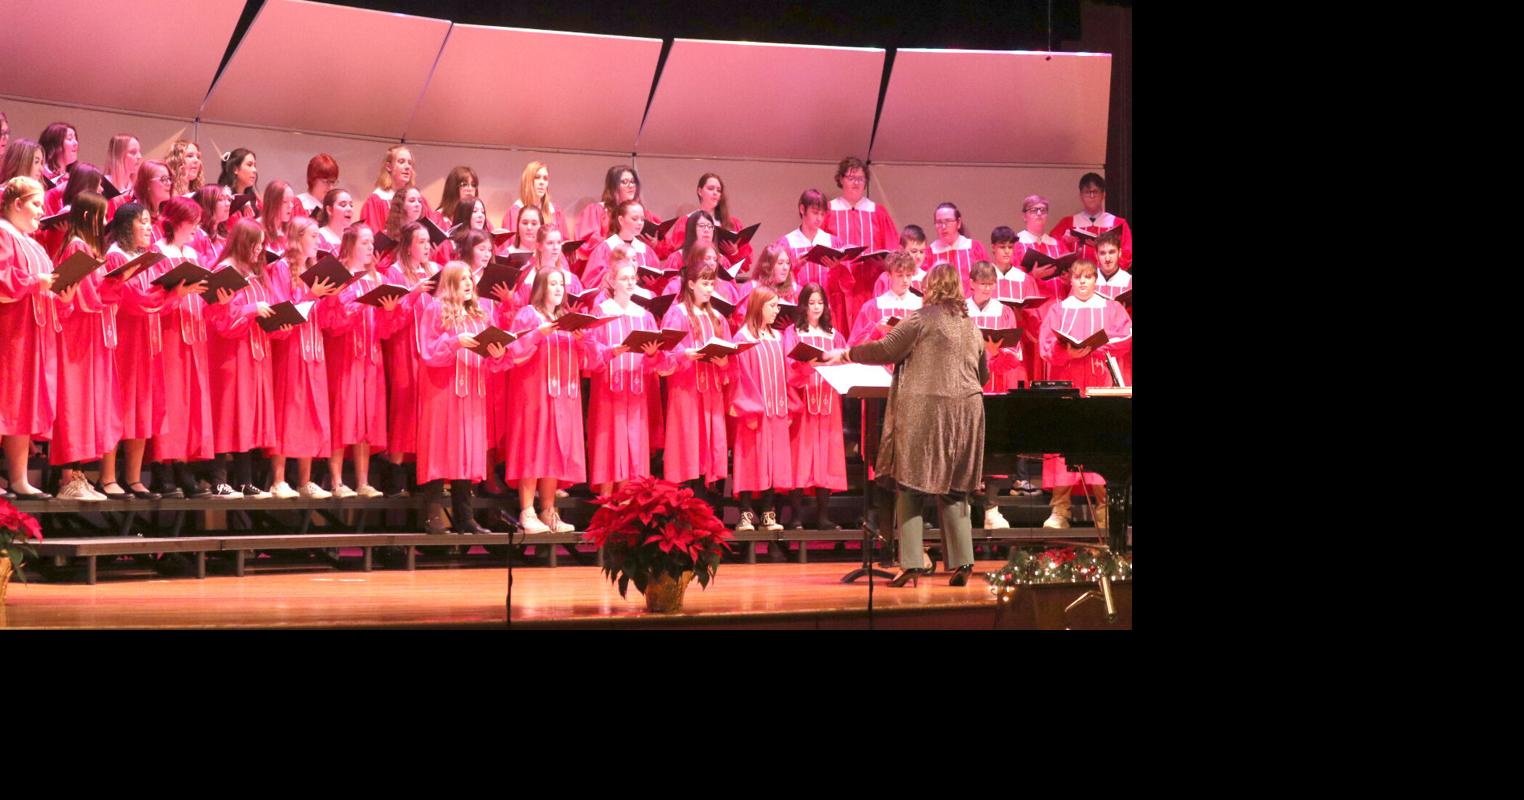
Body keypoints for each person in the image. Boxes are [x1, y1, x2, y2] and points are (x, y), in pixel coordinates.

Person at [827, 263, 987, 587]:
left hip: (927, 409)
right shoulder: (972, 326)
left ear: (931, 287)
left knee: (911, 484)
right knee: (955, 489)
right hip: (969, 411)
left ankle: (912, 562)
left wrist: (847, 354)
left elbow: (886, 349)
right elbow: (983, 374)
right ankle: (963, 563)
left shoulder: (921, 318)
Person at [413, 261, 512, 534]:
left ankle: (465, 517)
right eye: (462, 279)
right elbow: (429, 352)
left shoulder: (480, 314)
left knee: (466, 453)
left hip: (472, 393)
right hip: (444, 393)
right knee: (441, 449)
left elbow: (493, 361)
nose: (469, 282)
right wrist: (456, 341)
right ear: (450, 283)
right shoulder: (435, 309)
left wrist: (497, 353)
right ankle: (432, 514)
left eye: (470, 277)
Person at [1037, 257, 1132, 531]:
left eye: (1088, 277)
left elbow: (1126, 337)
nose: (1082, 282)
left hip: (1099, 383)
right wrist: (1066, 352)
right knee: (1064, 442)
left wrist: (1097, 349)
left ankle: (1105, 511)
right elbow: (1046, 346)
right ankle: (1060, 510)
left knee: (1099, 442)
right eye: (1078, 277)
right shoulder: (1059, 310)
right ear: (1071, 280)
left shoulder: (1111, 308)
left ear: (1095, 280)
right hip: (1067, 383)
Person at [49, 192, 131, 501]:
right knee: (74, 403)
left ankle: (79, 475)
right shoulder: (76, 247)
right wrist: (114, 284)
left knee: (86, 405)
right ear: (87, 217)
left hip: (90, 333)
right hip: (77, 333)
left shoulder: (87, 248)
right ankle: (67, 479)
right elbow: (85, 296)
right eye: (101, 216)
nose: (105, 222)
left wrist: (116, 282)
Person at [0, 177, 73, 500]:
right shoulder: (3, 234)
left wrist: (63, 294)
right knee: (4, 402)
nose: (41, 212)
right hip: (9, 332)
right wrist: (36, 282)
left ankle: (18, 478)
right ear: (16, 204)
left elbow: (45, 288)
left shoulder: (34, 244)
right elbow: (3, 279)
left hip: (34, 333)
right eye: (35, 204)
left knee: (21, 406)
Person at [319, 223, 403, 498]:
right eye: (365, 243)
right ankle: (336, 480)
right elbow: (330, 323)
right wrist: (354, 308)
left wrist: (388, 312)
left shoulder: (376, 279)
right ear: (351, 245)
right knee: (342, 414)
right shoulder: (339, 275)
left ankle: (363, 480)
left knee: (367, 417)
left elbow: (384, 329)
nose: (371, 248)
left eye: (372, 243)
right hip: (344, 355)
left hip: (370, 355)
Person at [502, 268, 589, 534]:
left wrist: (580, 339)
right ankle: (527, 510)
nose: (558, 288)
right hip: (534, 392)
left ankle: (549, 511)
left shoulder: (566, 318)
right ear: (541, 287)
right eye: (552, 283)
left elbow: (583, 358)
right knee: (533, 448)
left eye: (561, 284)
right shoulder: (528, 314)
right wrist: (538, 334)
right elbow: (513, 352)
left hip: (563, 395)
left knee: (554, 450)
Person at [206, 218, 281, 498]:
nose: (259, 250)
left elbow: (267, 305)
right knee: (227, 414)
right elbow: (220, 320)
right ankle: (219, 478)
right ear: (242, 242)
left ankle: (244, 479)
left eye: (262, 244)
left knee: (247, 415)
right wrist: (251, 310)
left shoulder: (256, 274)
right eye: (255, 243)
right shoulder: (225, 272)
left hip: (254, 353)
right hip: (230, 354)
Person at [581, 250, 666, 497]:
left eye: (633, 278)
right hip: (609, 391)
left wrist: (651, 354)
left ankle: (631, 501)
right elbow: (591, 352)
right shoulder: (601, 312)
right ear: (612, 281)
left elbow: (655, 362)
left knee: (634, 444)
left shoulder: (644, 316)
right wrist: (611, 352)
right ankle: (606, 502)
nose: (630, 283)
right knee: (609, 442)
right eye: (625, 278)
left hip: (636, 390)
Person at [266, 216, 338, 499]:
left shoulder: (314, 269)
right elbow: (282, 309)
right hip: (291, 347)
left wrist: (331, 296)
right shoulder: (282, 269)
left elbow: (326, 318)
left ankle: (305, 481)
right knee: (289, 408)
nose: (318, 242)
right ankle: (279, 479)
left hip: (314, 348)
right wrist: (312, 293)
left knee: (311, 409)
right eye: (313, 236)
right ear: (297, 238)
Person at [657, 260, 732, 497]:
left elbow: (729, 357)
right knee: (688, 446)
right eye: (704, 283)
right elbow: (664, 355)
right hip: (686, 391)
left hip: (711, 392)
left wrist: (723, 363)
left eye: (712, 283)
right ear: (690, 284)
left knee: (709, 448)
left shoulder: (717, 317)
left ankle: (705, 503)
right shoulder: (677, 314)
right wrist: (684, 354)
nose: (709, 289)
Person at [782, 281, 848, 532]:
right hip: (804, 403)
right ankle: (796, 516)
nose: (817, 307)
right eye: (812, 303)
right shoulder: (794, 333)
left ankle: (823, 516)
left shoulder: (834, 335)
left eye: (820, 303)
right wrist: (806, 366)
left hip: (828, 403)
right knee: (801, 457)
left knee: (826, 459)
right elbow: (788, 367)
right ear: (803, 306)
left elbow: (844, 364)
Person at [965, 260, 1025, 529]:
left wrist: (996, 353)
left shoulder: (1004, 313)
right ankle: (962, 507)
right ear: (972, 284)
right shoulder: (961, 310)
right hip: (965, 386)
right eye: (983, 284)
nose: (988, 289)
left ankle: (992, 507)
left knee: (995, 447)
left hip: (994, 384)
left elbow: (1015, 355)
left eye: (991, 284)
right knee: (965, 447)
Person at [727, 285, 790, 532]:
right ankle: (744, 514)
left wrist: (788, 409)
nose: (777, 311)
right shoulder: (743, 338)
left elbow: (785, 374)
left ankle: (768, 513)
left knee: (772, 462)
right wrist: (748, 410)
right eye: (772, 306)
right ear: (758, 306)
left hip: (776, 411)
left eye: (778, 306)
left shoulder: (777, 337)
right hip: (752, 412)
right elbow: (739, 376)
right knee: (749, 460)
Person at [823, 156, 898, 341]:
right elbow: (820, 246)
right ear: (840, 179)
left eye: (860, 179)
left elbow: (893, 247)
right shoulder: (829, 210)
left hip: (869, 286)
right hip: (838, 288)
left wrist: (885, 261)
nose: (855, 183)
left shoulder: (877, 212)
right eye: (850, 178)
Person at [574, 165, 666, 275]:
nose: (630, 186)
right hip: (605, 269)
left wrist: (654, 244)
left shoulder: (644, 214)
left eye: (632, 182)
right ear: (613, 187)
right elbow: (584, 246)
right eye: (624, 182)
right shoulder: (598, 211)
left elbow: (662, 251)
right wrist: (615, 241)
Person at [665, 173, 752, 272]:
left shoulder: (732, 224)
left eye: (718, 190)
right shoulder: (686, 221)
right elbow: (676, 256)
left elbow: (745, 266)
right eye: (710, 188)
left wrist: (734, 252)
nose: (715, 193)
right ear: (700, 191)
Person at [1049, 172, 1132, 270]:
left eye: (1095, 191)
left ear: (1103, 195)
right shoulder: (1067, 223)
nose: (1092, 196)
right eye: (1087, 192)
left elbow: (1127, 256)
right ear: (1081, 196)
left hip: (1107, 281)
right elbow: (1051, 252)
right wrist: (1063, 242)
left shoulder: (1118, 223)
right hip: (1078, 280)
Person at [582, 198, 660, 291]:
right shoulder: (606, 248)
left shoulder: (645, 250)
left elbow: (657, 284)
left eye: (642, 219)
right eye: (634, 219)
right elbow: (591, 282)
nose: (640, 223)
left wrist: (652, 284)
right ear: (621, 220)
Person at [1014, 194, 1072, 301]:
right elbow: (1011, 283)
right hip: (1030, 311)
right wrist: (1032, 276)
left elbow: (1071, 280)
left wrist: (1068, 278)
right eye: (1034, 210)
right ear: (1024, 216)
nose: (1039, 213)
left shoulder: (1058, 245)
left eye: (1043, 210)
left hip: (1057, 306)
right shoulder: (1016, 245)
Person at [925, 201, 987, 293]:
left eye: (948, 221)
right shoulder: (930, 252)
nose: (943, 226)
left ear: (958, 223)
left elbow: (987, 278)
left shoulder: (974, 248)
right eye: (939, 222)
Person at [503, 161, 570, 236]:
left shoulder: (555, 212)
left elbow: (562, 244)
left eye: (545, 178)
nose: (542, 182)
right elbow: (508, 245)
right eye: (537, 177)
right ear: (527, 181)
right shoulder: (515, 213)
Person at [360, 145, 413, 232]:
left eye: (410, 163)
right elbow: (372, 238)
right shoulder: (376, 201)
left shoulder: (418, 200)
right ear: (389, 167)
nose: (407, 167)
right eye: (401, 162)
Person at [190, 185, 231, 268]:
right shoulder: (196, 234)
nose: (228, 204)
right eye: (221, 199)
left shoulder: (224, 234)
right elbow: (199, 268)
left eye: (228, 199)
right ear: (207, 205)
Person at [103, 134, 142, 216]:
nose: (139, 156)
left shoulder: (137, 189)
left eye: (139, 152)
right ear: (118, 155)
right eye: (133, 152)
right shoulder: (103, 186)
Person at [216, 147, 259, 219]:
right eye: (249, 165)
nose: (254, 170)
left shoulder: (255, 201)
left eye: (255, 166)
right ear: (235, 169)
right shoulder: (223, 200)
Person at [259, 179, 296, 255]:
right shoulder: (257, 229)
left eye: (292, 201)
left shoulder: (291, 231)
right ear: (272, 204)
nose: (291, 206)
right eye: (285, 202)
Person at [38, 122, 79, 187]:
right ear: (54, 145)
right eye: (70, 139)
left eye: (75, 139)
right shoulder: (40, 174)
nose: (76, 143)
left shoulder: (74, 177)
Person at [315, 188, 354, 253]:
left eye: (351, 205)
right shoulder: (318, 237)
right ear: (329, 210)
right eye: (343, 205)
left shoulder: (350, 240)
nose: (349, 209)